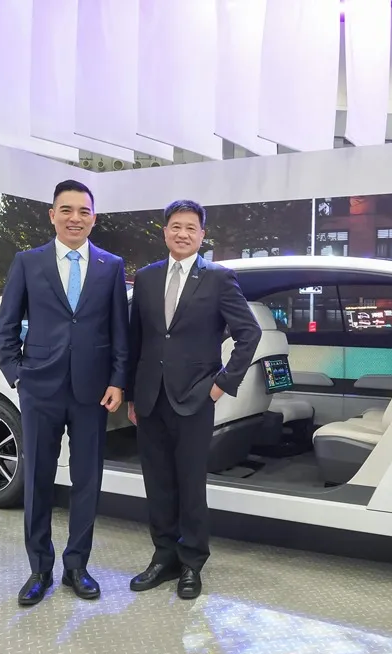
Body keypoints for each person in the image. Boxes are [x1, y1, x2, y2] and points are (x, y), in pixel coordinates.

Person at [0, 179, 129, 606]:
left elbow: (119, 331)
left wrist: (118, 380)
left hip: (93, 391)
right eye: (66, 210)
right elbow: (7, 324)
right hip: (40, 388)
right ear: (52, 215)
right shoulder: (28, 262)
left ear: (94, 218)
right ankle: (39, 568)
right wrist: (16, 374)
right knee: (37, 479)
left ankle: (77, 566)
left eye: (83, 211)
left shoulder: (111, 265)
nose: (75, 218)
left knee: (87, 479)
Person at [125, 199, 262, 599]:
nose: (182, 233)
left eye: (191, 228)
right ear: (165, 231)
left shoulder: (219, 278)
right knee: (157, 484)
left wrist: (221, 384)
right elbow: (137, 340)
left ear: (202, 235)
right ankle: (163, 557)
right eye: (176, 226)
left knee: (190, 486)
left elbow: (249, 333)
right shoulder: (147, 278)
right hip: (150, 398)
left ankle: (191, 563)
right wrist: (132, 394)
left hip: (195, 398)